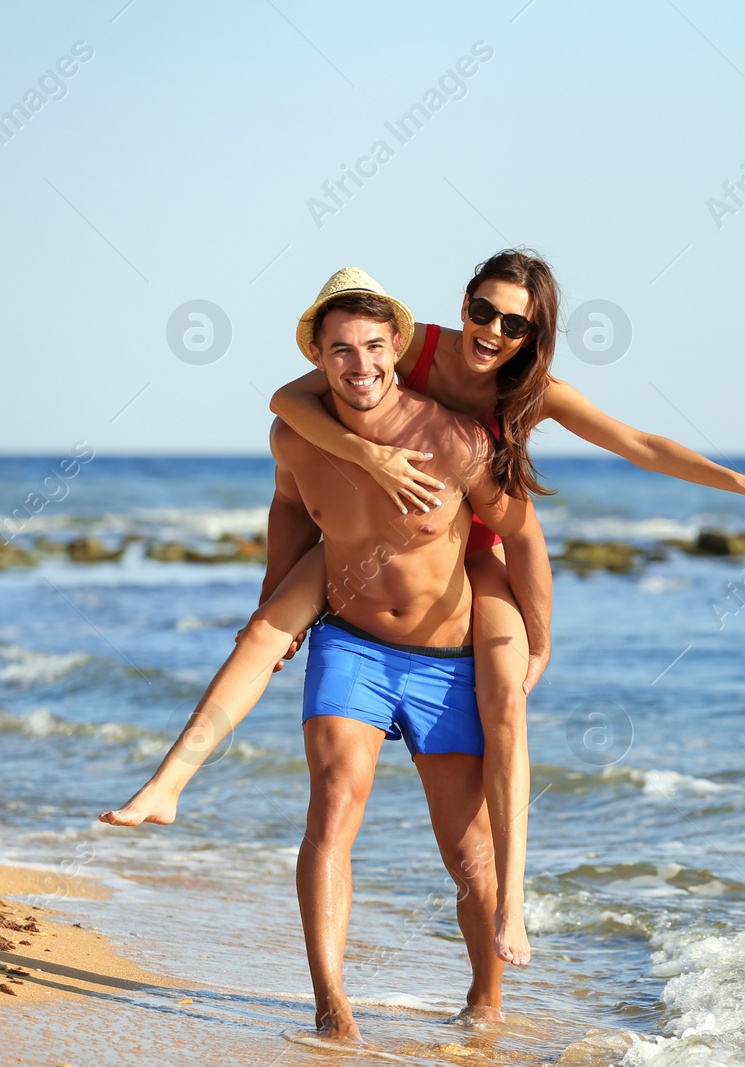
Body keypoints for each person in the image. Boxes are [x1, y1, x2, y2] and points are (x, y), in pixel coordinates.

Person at [268, 249, 745, 967]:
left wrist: (742, 484)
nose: (492, 331)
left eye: (514, 324)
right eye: (483, 310)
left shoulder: (535, 391)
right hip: (400, 549)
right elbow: (288, 401)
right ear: (463, 302)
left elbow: (638, 444)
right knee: (270, 652)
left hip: (480, 555)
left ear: (532, 336)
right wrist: (369, 458)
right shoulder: (405, 347)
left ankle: (512, 907)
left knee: (507, 700)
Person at [105, 269, 553, 1040]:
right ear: (317, 353)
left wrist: (538, 637)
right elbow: (289, 508)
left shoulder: (453, 438)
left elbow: (521, 534)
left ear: (397, 347)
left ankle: (486, 1001)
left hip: (446, 659)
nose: (360, 365)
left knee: (467, 853)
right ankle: (331, 1007)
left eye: (375, 346)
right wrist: (277, 595)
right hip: (353, 642)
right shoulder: (294, 436)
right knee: (333, 809)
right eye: (340, 349)